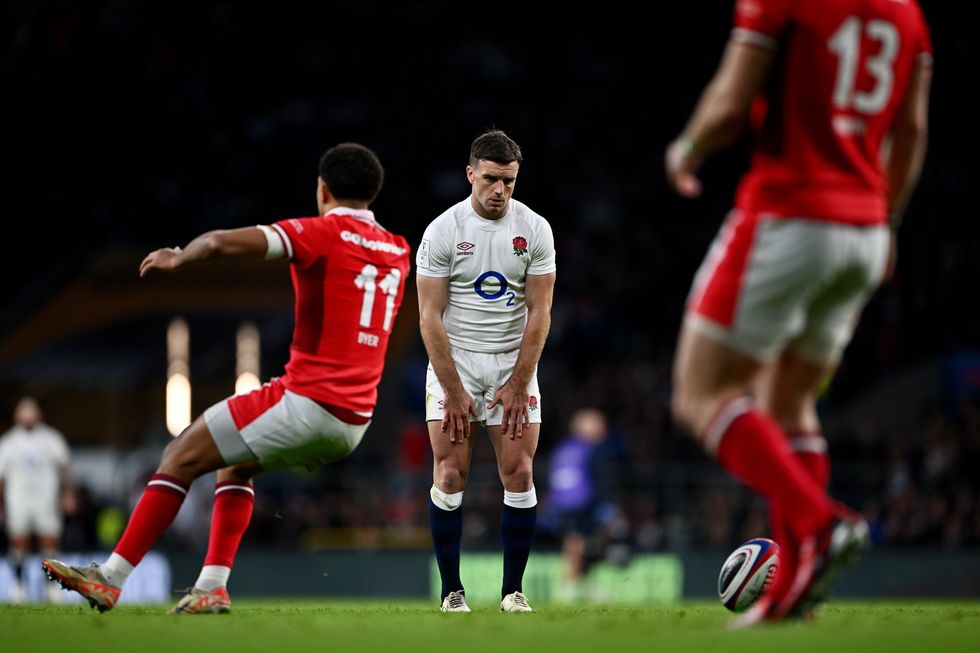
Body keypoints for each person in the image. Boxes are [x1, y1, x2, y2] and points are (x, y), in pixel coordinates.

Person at [42, 142, 411, 614]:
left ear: (322, 190)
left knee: (178, 455)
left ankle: (110, 577)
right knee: (236, 464)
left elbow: (220, 241)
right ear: (373, 193)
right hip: (355, 421)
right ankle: (211, 585)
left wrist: (181, 255)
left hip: (307, 400)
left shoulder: (321, 232)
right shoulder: (398, 249)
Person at [665, 0, 931, 626]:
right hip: (864, 229)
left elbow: (730, 105)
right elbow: (911, 129)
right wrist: (888, 219)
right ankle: (795, 593)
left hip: (789, 214)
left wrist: (687, 148)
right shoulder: (908, 14)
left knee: (700, 394)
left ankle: (821, 523)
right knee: (789, 402)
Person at [417, 129, 556, 613]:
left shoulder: (535, 229)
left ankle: (512, 592)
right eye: (492, 179)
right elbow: (428, 317)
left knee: (518, 472)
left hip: (512, 363)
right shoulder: (442, 231)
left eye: (510, 182)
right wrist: (453, 390)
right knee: (451, 473)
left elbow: (540, 312)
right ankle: (451, 592)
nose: (500, 190)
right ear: (471, 174)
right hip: (453, 362)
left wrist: (519, 382)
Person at [0, 397, 74, 603]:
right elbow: (1, 477)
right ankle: (18, 585)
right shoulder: (8, 442)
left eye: (31, 411)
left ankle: (51, 587)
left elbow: (64, 468)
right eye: (23, 412)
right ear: (16, 416)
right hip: (18, 500)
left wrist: (68, 493)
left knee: (49, 542)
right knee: (18, 543)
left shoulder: (51, 439)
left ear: (38, 414)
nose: (27, 416)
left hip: (46, 500)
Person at [545, 408, 611, 601]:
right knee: (579, 545)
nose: (602, 429)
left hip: (564, 504)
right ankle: (569, 585)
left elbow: (555, 477)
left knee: (580, 545)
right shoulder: (590, 450)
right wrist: (603, 505)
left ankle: (585, 584)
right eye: (598, 424)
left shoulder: (563, 448)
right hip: (583, 503)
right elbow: (597, 479)